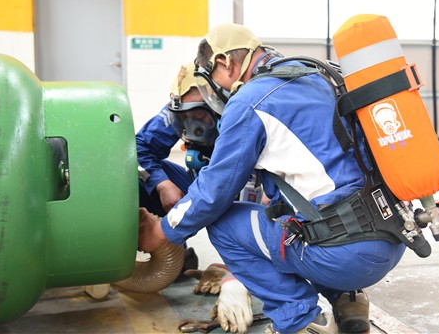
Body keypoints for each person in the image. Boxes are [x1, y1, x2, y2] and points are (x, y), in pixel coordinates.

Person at [138, 24, 406, 334]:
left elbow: (213, 193)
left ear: (224, 62)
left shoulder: (249, 101)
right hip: (392, 237)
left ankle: (300, 320)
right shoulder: (319, 76)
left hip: (342, 255)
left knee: (224, 224)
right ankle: (348, 298)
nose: (215, 93)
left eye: (212, 81)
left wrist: (162, 232)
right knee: (292, 211)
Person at [136, 61, 219, 271]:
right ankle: (172, 252)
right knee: (135, 176)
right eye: (186, 115)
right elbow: (139, 147)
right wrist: (162, 184)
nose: (192, 122)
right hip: (202, 183)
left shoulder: (237, 114)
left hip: (239, 190)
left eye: (199, 115)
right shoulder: (180, 108)